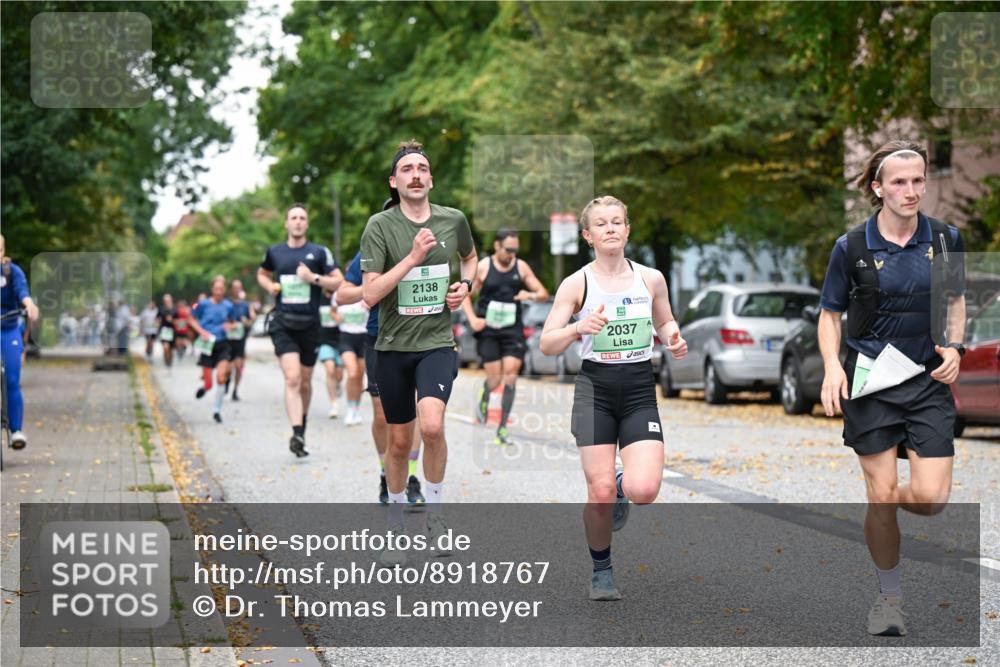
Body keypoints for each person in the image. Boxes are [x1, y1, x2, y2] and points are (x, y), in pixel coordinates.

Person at [818, 141, 966, 637]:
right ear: (877, 187)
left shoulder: (946, 239)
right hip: (871, 382)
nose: (911, 190)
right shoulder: (852, 247)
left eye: (918, 180)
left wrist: (955, 347)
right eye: (899, 182)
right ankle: (889, 601)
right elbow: (830, 315)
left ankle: (881, 503)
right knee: (880, 490)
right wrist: (832, 368)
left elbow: (956, 301)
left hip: (926, 380)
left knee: (932, 497)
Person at [540, 196, 687, 601]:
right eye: (601, 224)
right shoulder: (577, 284)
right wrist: (578, 327)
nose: (610, 228)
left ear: (627, 230)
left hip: (639, 389)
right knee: (599, 491)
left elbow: (664, 319)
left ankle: (624, 484)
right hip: (595, 391)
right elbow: (547, 343)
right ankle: (601, 571)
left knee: (644, 490)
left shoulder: (650, 278)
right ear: (588, 235)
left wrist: (672, 336)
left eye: (617, 222)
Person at [360, 140, 477, 550]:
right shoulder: (379, 226)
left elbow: (470, 257)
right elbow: (370, 294)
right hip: (392, 347)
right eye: (407, 169)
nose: (415, 174)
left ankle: (436, 514)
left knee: (431, 426)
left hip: (436, 343)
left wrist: (465, 285)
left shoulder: (453, 220)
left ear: (431, 179)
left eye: (422, 168)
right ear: (394, 182)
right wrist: (411, 258)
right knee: (398, 441)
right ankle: (395, 521)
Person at [339, 246, 426, 507]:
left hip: (418, 336)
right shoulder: (371, 250)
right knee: (382, 414)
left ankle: (412, 477)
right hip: (380, 338)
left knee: (417, 409)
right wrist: (370, 289)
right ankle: (385, 472)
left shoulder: (424, 246)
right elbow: (342, 294)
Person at [257, 203, 343, 457]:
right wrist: (269, 286)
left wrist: (313, 278)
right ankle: (296, 432)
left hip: (310, 326)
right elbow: (262, 274)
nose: (297, 221)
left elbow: (339, 281)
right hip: (283, 323)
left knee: (305, 382)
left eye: (302, 218)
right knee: (293, 378)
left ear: (307, 223)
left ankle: (301, 427)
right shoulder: (275, 252)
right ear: (286, 223)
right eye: (293, 217)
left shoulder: (319, 252)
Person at [462, 228, 548, 445]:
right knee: (495, 379)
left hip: (512, 330)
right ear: (497, 246)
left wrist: (529, 294)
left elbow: (543, 293)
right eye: (508, 249)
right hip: (489, 330)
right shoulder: (483, 267)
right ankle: (485, 396)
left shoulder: (521, 267)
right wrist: (473, 320)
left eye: (515, 250)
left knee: (510, 376)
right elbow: (465, 296)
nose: (512, 254)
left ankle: (502, 428)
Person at [0, 234, 41, 449]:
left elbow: (22, 291)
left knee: (12, 380)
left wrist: (29, 304)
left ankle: (16, 430)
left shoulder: (12, 272)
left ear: (3, 251)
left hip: (8, 330)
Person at [191, 276, 237, 424]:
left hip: (223, 344)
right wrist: (201, 331)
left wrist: (230, 326)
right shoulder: (203, 304)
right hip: (207, 345)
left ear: (224, 290)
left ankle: (217, 410)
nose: (219, 291)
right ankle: (205, 388)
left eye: (221, 289)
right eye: (217, 289)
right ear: (212, 289)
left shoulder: (228, 305)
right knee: (209, 383)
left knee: (221, 377)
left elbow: (233, 322)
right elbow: (191, 319)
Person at [336, 296, 370, 426]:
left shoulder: (366, 293)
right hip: (346, 338)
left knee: (359, 377)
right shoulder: (341, 293)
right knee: (352, 373)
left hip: (363, 338)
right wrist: (336, 317)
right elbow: (332, 310)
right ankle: (350, 410)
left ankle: (355, 409)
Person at [318, 291, 345, 418]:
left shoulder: (341, 297)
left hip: (341, 341)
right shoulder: (318, 298)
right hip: (324, 342)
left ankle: (338, 383)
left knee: (339, 375)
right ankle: (333, 404)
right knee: (330, 370)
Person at [227, 280, 255, 401]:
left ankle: (235, 390)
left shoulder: (245, 305)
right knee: (227, 368)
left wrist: (246, 321)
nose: (237, 290)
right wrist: (229, 325)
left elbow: (251, 321)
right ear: (231, 289)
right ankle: (226, 382)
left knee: (239, 367)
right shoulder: (226, 303)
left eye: (239, 287)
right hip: (228, 340)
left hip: (240, 340)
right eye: (235, 287)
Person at [157, 294, 178, 368]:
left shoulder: (175, 309)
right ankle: (166, 361)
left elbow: (180, 322)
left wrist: (172, 320)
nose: (166, 302)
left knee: (170, 349)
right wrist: (157, 325)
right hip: (164, 331)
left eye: (168, 300)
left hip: (172, 331)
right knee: (165, 347)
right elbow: (157, 318)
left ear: (171, 300)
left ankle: (170, 361)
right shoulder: (161, 309)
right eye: (165, 301)